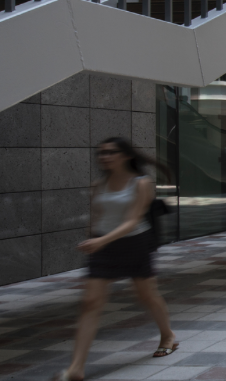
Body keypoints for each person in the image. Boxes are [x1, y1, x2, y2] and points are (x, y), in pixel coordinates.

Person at [53, 138, 178, 381]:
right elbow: (97, 215)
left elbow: (133, 220)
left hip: (134, 244)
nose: (104, 157)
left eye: (111, 152)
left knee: (147, 295)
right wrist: (92, 239)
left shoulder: (141, 183)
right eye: (101, 153)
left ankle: (168, 335)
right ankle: (76, 368)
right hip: (103, 247)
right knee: (90, 303)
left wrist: (102, 240)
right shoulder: (98, 184)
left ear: (126, 156)